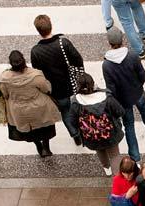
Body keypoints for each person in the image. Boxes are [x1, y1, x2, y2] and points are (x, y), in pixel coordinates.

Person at [103, 27, 145, 163]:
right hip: (137, 91)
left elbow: (111, 88)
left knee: (129, 125)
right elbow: (142, 74)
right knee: (144, 108)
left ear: (109, 42)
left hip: (123, 100)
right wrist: (140, 84)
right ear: (122, 39)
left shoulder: (106, 65)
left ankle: (135, 156)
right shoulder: (132, 55)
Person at [30, 14, 85, 146]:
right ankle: (84, 130)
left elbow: (38, 73)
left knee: (65, 112)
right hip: (72, 84)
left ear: (38, 31)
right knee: (79, 108)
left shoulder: (36, 51)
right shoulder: (63, 43)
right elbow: (78, 60)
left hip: (56, 90)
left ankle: (75, 134)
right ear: (51, 26)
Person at [0, 50, 61, 158]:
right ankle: (46, 147)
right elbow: (47, 88)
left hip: (19, 111)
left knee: (30, 130)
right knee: (44, 127)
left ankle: (39, 147)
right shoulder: (35, 75)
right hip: (39, 108)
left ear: (10, 63)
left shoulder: (4, 78)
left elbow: (5, 94)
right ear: (24, 60)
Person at [68, 73, 125, 176]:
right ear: (93, 84)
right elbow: (120, 111)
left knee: (100, 151)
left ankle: (106, 168)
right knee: (115, 155)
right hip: (111, 133)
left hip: (91, 136)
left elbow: (72, 121)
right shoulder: (106, 97)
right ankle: (117, 175)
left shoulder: (76, 102)